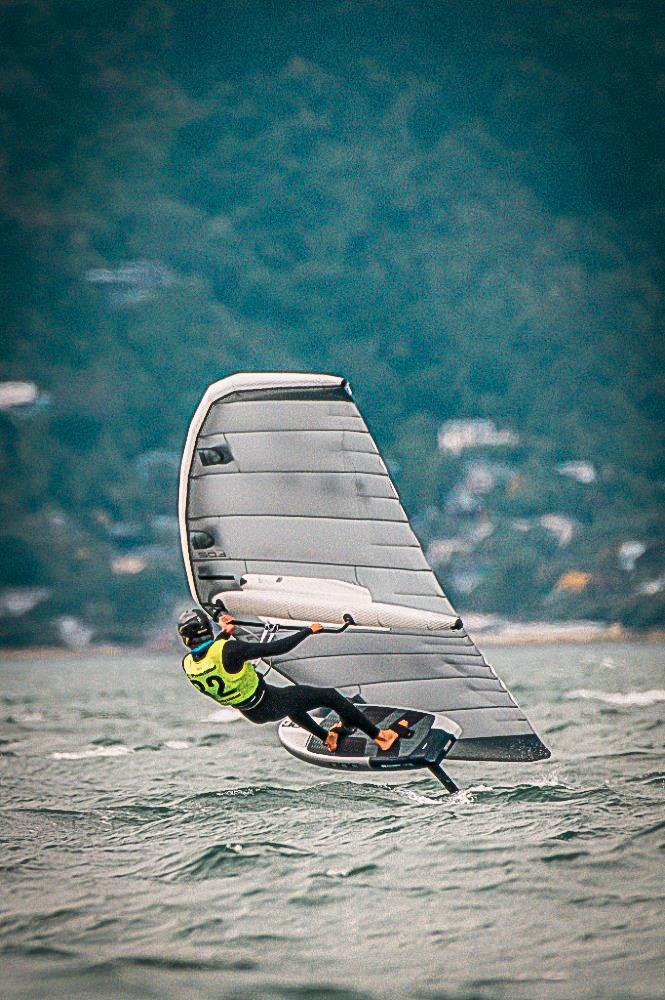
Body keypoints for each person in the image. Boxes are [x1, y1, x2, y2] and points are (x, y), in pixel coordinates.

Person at [177, 608, 400, 753]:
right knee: (329, 696)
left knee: (292, 703)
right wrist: (308, 630)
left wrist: (226, 632)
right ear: (208, 628)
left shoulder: (189, 664)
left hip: (251, 712)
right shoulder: (229, 650)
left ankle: (328, 738)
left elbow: (214, 655)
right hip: (268, 701)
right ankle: (380, 737)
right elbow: (276, 648)